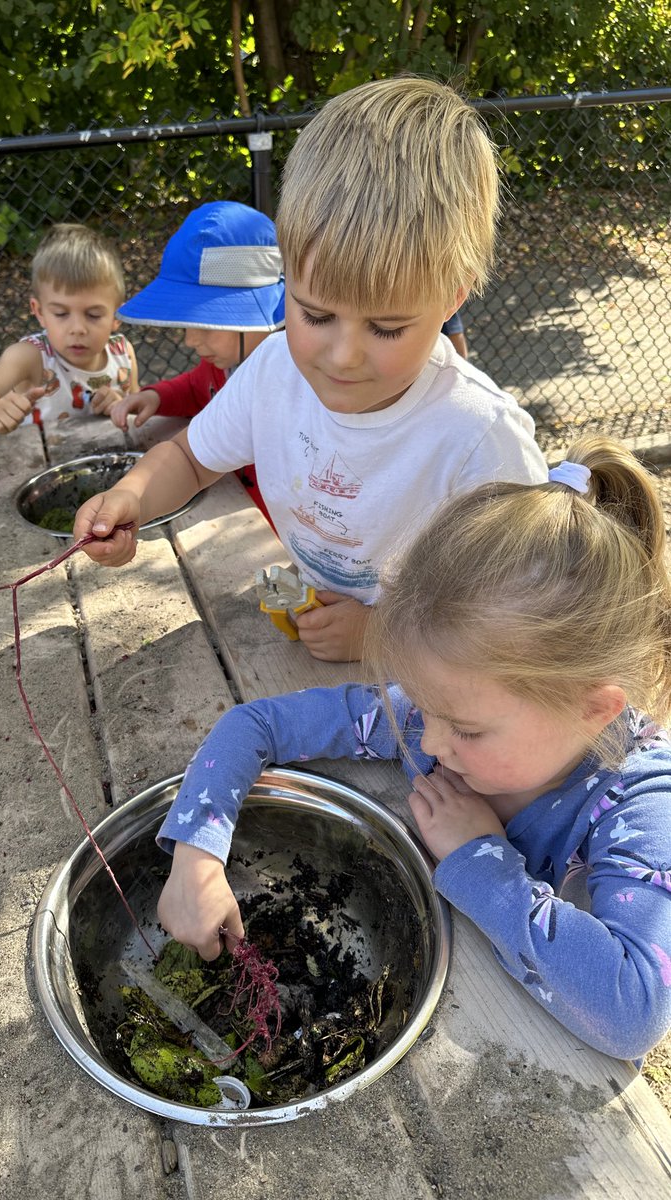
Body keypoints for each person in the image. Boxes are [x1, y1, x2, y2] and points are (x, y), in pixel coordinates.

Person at [155, 438, 671, 1061]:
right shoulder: (433, 709)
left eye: (466, 729)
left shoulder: (639, 800)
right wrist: (196, 854)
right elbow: (255, 723)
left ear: (593, 711)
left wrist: (480, 857)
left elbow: (633, 1014)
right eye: (422, 706)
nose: (425, 742)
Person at [72, 77, 548, 663]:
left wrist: (383, 635)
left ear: (453, 298)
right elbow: (191, 458)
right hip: (306, 639)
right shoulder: (273, 372)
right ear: (287, 278)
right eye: (315, 314)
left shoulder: (480, 439)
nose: (343, 355)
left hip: (431, 688)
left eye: (387, 327)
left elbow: (519, 615)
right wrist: (131, 496)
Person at [109, 201, 285, 521]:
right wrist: (156, 396)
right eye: (188, 323)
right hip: (231, 509)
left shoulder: (291, 381)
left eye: (209, 324)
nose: (190, 340)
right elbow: (195, 389)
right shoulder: (221, 367)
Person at [0, 223, 138, 433]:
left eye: (93, 315)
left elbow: (137, 404)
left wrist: (120, 404)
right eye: (61, 314)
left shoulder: (123, 355)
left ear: (117, 316)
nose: (78, 328)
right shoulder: (31, 357)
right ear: (40, 312)